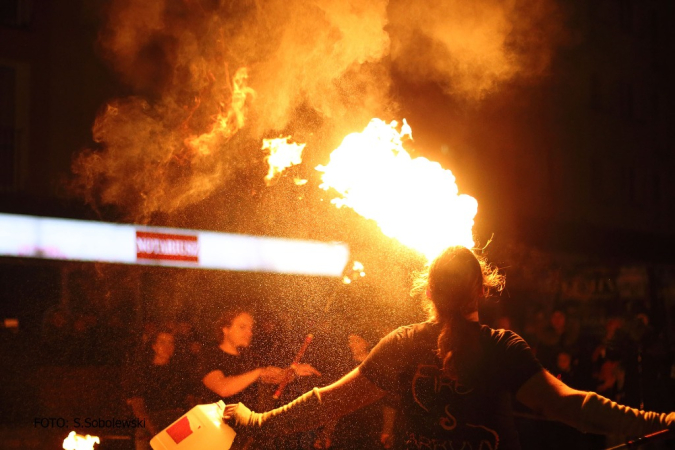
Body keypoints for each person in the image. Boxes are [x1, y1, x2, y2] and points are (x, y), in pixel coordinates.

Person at [224, 246, 675, 450]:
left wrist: (256, 421)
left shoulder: (403, 343)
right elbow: (572, 406)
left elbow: (329, 402)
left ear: (429, 292)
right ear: (481, 290)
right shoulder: (502, 347)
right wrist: (659, 422)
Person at [200, 308, 320, 410]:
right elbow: (223, 388)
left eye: (250, 328)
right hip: (213, 429)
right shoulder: (209, 355)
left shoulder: (250, 357)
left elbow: (275, 377)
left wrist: (294, 370)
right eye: (242, 327)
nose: (249, 333)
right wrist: (258, 372)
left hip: (243, 429)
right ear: (225, 329)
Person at [125, 330, 191, 450]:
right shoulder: (142, 372)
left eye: (171, 342)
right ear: (154, 346)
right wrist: (154, 432)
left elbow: (190, 400)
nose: (167, 346)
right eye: (162, 342)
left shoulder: (179, 372)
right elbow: (138, 407)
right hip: (149, 424)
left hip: (176, 423)